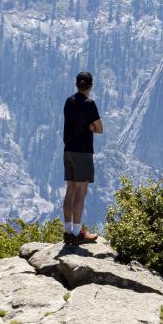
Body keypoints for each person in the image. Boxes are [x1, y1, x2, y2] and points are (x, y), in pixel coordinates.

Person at [63, 72, 103, 244]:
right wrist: (90, 127)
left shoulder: (69, 101)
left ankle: (67, 231)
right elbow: (100, 128)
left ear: (76, 84)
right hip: (83, 152)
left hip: (69, 151)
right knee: (81, 192)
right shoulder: (90, 104)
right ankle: (78, 233)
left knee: (70, 190)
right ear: (91, 85)